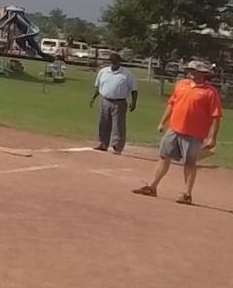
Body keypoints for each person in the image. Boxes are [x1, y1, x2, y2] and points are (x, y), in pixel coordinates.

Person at [134, 59, 222, 204]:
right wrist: (163, 122)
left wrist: (212, 138)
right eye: (190, 70)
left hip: (194, 134)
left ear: (203, 74)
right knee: (164, 157)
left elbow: (216, 116)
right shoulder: (181, 84)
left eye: (194, 71)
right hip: (174, 129)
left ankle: (187, 194)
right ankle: (152, 186)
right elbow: (172, 104)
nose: (191, 73)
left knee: (190, 162)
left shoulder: (210, 92)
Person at [90, 52, 139, 153]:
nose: (113, 63)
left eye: (115, 61)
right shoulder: (103, 72)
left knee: (118, 125)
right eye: (111, 61)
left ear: (119, 62)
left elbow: (134, 90)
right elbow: (98, 87)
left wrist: (134, 102)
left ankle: (117, 146)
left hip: (119, 102)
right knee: (103, 123)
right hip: (104, 100)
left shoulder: (126, 74)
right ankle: (103, 143)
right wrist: (93, 98)